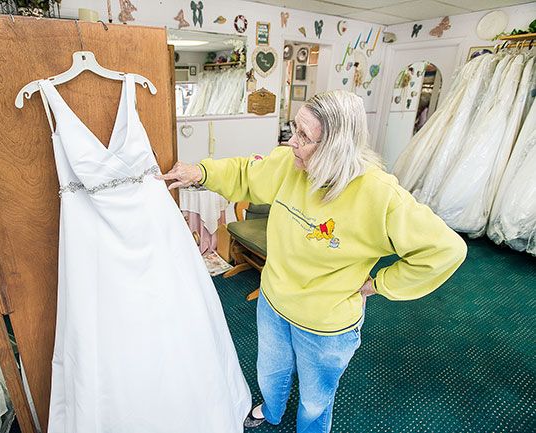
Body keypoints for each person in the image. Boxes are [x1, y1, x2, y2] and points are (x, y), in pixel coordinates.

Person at [157, 90, 467, 433]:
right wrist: (200, 172)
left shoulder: (380, 194)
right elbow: (247, 173)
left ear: (336, 147)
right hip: (274, 302)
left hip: (325, 324)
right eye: (294, 129)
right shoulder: (291, 163)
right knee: (270, 371)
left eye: (304, 136)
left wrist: (381, 284)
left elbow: (445, 250)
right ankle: (271, 411)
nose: (292, 142)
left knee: (316, 397)